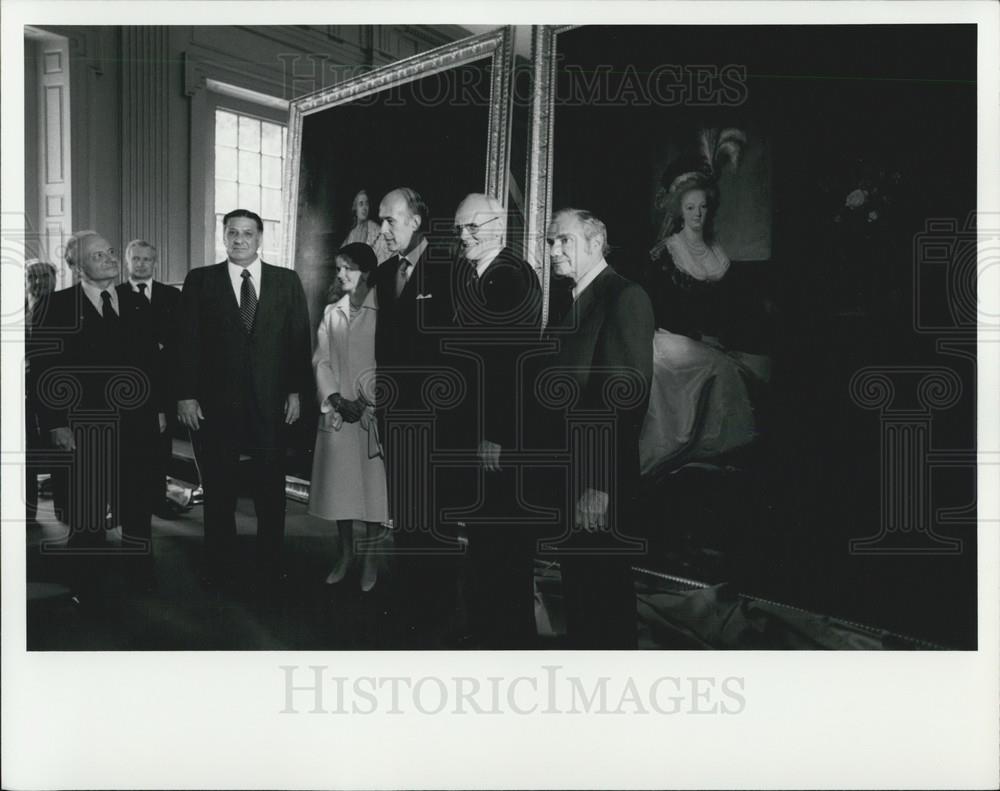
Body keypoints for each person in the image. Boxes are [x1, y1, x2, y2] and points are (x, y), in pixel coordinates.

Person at [528, 209, 654, 648]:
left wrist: (599, 486)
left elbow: (623, 401)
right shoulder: (575, 298)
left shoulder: (624, 297)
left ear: (595, 242)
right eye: (550, 242)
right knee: (584, 595)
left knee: (605, 600)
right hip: (572, 478)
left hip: (597, 485)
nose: (554, 251)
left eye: (563, 241)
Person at [175, 209, 312, 592]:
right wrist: (185, 394)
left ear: (260, 238)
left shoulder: (286, 281)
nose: (239, 240)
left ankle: (271, 565)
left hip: (271, 404)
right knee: (219, 489)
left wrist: (296, 392)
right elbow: (186, 342)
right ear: (223, 236)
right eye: (232, 232)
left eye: (247, 233)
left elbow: (299, 342)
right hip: (216, 407)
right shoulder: (201, 281)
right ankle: (219, 567)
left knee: (271, 489)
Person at [33, 232, 162, 597]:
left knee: (136, 504)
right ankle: (86, 582)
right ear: (75, 266)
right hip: (81, 427)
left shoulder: (136, 304)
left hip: (134, 425)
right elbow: (44, 371)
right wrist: (56, 423)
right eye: (98, 255)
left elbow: (151, 365)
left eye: (109, 252)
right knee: (86, 509)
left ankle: (141, 574)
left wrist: (157, 412)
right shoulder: (54, 306)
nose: (109, 258)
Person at [450, 193, 542, 648]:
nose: (463, 236)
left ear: (498, 228)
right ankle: (488, 635)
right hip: (480, 433)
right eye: (460, 229)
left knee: (504, 546)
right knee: (487, 543)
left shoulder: (513, 276)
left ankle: (509, 645)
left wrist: (495, 435)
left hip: (500, 437)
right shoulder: (479, 274)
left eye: (472, 228)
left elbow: (512, 364)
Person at [372, 187, 458, 644]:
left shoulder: (449, 269)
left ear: (417, 221)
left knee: (435, 523)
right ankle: (411, 608)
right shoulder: (386, 274)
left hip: (439, 426)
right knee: (406, 518)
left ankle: (437, 616)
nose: (383, 230)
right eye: (381, 222)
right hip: (396, 420)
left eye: (391, 220)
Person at [309, 243, 388, 592]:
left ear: (366, 272)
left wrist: (367, 401)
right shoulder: (331, 312)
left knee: (374, 493)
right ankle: (345, 555)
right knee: (340, 490)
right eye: (338, 267)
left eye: (348, 268)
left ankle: (371, 559)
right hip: (340, 413)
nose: (340, 274)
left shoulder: (385, 309)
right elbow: (320, 360)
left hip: (373, 413)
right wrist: (337, 399)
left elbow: (388, 362)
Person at [116, 239, 180, 517]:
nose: (141, 264)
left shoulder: (172, 296)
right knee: (126, 450)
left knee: (160, 447)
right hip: (129, 384)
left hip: (164, 383)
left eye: (147, 259)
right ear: (128, 262)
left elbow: (181, 339)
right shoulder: (114, 295)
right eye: (136, 259)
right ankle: (123, 506)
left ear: (155, 263)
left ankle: (157, 499)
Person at [647, 170, 731, 345]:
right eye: (690, 207)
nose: (698, 213)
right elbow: (661, 312)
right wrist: (699, 337)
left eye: (703, 206)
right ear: (680, 211)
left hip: (715, 343)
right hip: (676, 340)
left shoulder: (717, 252)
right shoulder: (668, 253)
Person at [24, 260, 58, 524]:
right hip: (22, 393)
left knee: (61, 451)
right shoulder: (16, 309)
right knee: (25, 453)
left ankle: (66, 507)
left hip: (56, 391)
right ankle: (27, 511)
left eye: (44, 277)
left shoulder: (67, 307)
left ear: (55, 279)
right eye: (32, 278)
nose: (38, 283)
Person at [340, 189, 390, 264]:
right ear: (354, 208)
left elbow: (385, 257)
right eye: (361, 204)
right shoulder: (351, 234)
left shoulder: (377, 231)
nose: (364, 208)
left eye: (367, 203)